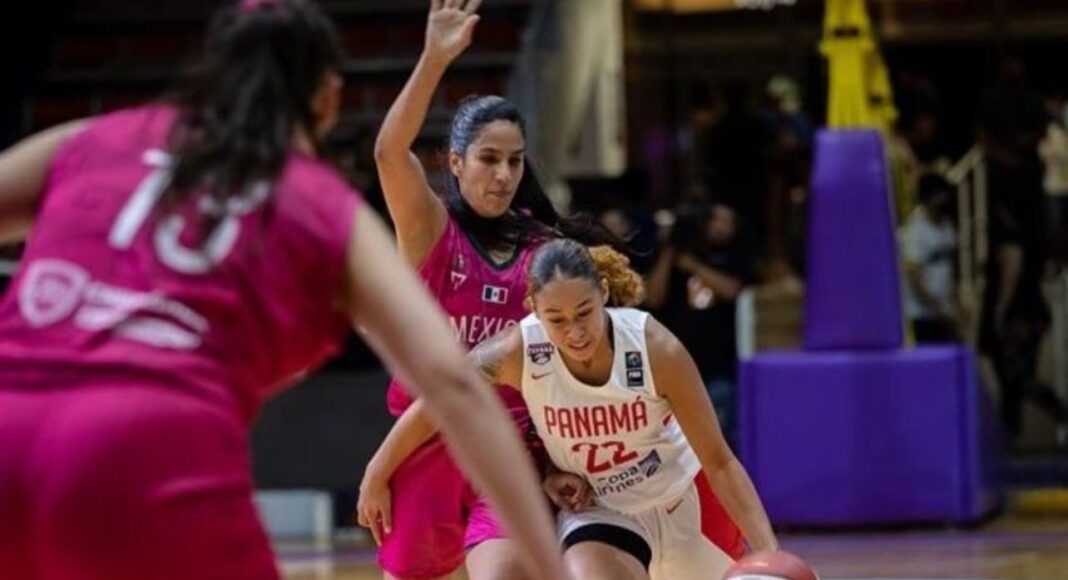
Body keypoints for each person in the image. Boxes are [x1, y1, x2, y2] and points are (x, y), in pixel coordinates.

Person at [0, 1, 568, 579]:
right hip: (150, 440)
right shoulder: (321, 206)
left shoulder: (93, 138)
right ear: (327, 98)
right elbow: (455, 383)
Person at [359, 1, 615, 578]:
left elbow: (562, 363)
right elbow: (387, 153)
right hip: (423, 447)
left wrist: (554, 462)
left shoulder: (543, 250)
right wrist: (434, 58)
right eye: (489, 159)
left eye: (516, 162)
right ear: (455, 162)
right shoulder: (429, 230)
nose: (503, 175)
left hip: (509, 452)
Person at [360, 240, 775, 580]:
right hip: (604, 511)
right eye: (556, 319)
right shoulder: (520, 350)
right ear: (533, 309)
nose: (574, 332)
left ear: (604, 294)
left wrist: (772, 556)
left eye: (584, 313)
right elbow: (444, 395)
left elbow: (720, 462)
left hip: (683, 499)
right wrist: (378, 471)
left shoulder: (654, 348)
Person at [901, 174, 958, 343]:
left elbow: (951, 270)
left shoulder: (948, 227)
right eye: (939, 195)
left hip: (945, 311)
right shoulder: (914, 231)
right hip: (921, 314)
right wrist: (936, 309)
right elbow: (915, 277)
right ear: (927, 198)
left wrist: (954, 305)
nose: (944, 199)